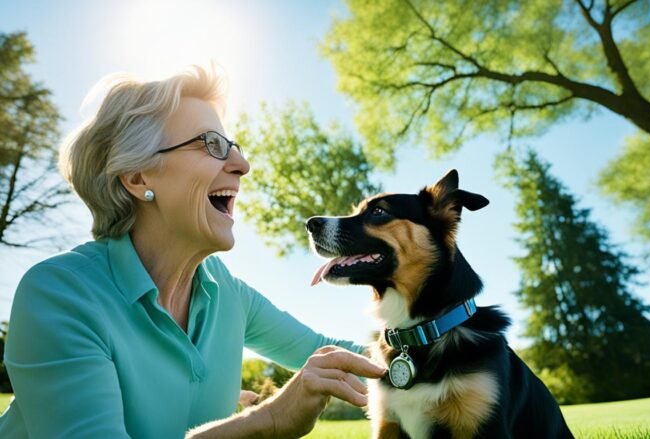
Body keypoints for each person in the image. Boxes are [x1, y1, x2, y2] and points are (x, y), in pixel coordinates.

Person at [0, 66, 385, 438]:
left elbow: (340, 354)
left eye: (233, 146)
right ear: (137, 177)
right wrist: (266, 422)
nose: (242, 164)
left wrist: (438, 329)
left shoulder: (226, 292)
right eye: (211, 144)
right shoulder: (60, 294)